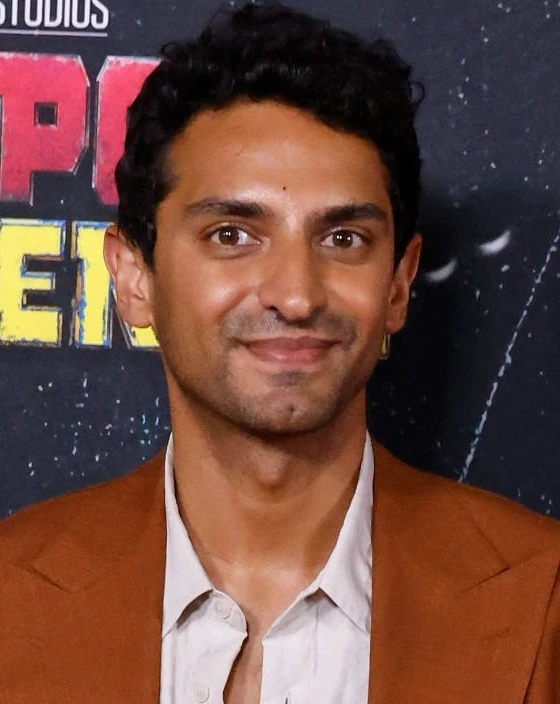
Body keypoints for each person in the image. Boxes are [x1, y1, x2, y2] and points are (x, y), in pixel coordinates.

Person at [1, 3, 559, 703]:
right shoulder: (10, 596)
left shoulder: (544, 599)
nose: (296, 295)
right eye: (232, 235)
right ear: (134, 278)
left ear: (399, 283)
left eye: (343, 239)